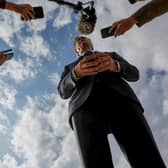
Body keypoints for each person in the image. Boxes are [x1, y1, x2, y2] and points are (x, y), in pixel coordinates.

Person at [57, 36, 167, 168]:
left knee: (146, 154)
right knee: (94, 162)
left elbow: (134, 74)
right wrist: (75, 73)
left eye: (84, 38)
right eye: (78, 41)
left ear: (91, 45)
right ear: (77, 51)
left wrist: (115, 65)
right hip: (83, 108)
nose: (81, 40)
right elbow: (62, 92)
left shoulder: (110, 55)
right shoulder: (70, 67)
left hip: (122, 101)